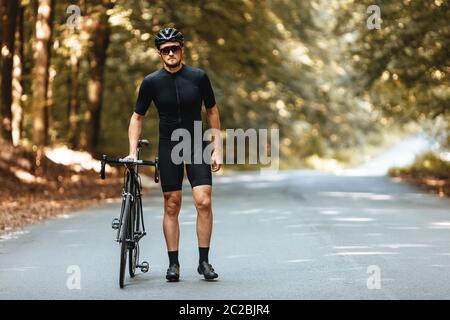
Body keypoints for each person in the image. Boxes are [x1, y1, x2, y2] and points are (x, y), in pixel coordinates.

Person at [125, 27, 222, 282]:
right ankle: (173, 264)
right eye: (165, 49)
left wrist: (217, 149)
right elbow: (137, 117)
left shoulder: (199, 77)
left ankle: (204, 262)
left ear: (182, 49)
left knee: (204, 201)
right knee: (172, 204)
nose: (171, 53)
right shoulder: (151, 82)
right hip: (169, 145)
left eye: (174, 48)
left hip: (196, 143)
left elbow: (212, 111)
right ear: (160, 54)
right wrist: (132, 152)